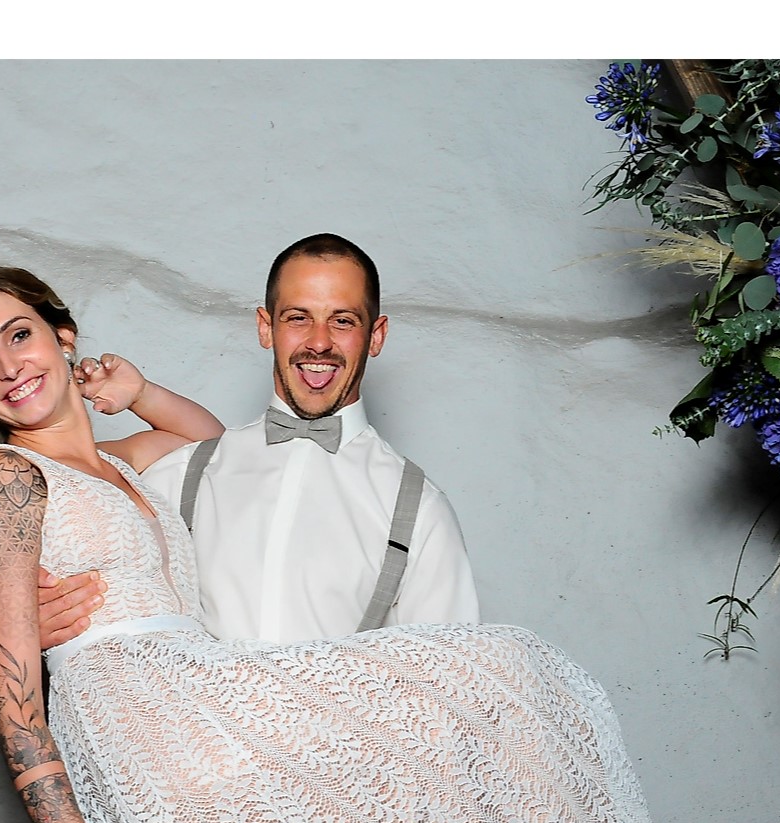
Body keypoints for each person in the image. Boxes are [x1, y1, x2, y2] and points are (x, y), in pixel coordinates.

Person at [0, 263, 748, 823]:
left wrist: (140, 391)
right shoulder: (6, 477)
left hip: (213, 719)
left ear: (64, 337)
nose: (7, 366)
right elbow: (13, 705)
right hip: (152, 739)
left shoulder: (127, 465)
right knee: (500, 674)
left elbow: (218, 448)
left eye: (20, 336)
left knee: (482, 790)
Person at [39, 233, 477, 648]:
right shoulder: (181, 474)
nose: (319, 342)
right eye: (298, 318)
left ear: (376, 336)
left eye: (342, 321)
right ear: (265, 328)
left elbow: (448, 681)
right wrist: (32, 624)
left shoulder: (419, 510)